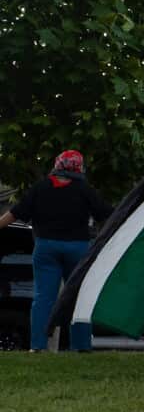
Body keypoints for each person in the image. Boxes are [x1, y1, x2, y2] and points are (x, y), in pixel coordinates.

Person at [0, 150, 112, 352]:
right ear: (79, 167)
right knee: (78, 297)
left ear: (57, 165)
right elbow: (106, 215)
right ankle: (81, 346)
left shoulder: (41, 187)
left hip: (45, 247)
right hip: (77, 248)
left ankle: (38, 346)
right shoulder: (84, 189)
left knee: (43, 297)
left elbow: (14, 213)